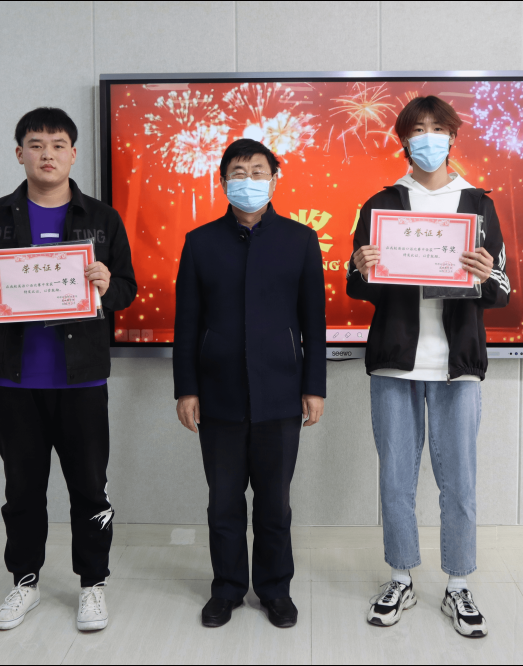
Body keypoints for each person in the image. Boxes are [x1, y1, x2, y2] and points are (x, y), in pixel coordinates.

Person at [0, 107, 137, 632]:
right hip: (14, 381)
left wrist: (107, 285)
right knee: (22, 490)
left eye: (58, 145)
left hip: (82, 380)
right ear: (20, 154)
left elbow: (127, 289)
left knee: (90, 489)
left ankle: (92, 584)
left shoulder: (102, 218)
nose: (47, 154)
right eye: (36, 145)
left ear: (73, 154)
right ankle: (25, 582)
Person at [347, 97, 510, 637]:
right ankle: (401, 577)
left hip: (456, 363)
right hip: (395, 362)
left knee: (458, 480)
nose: (428, 138)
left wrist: (484, 275)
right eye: (418, 130)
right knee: (395, 479)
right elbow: (356, 285)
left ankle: (458, 584)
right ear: (403, 141)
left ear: (453, 137)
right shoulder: (381, 203)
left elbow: (503, 289)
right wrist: (362, 267)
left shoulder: (478, 204)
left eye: (438, 128)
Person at [173, 139, 327, 629]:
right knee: (223, 502)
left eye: (258, 171)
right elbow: (186, 324)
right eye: (238, 172)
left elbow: (314, 322)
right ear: (222, 181)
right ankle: (227, 589)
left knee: (274, 503)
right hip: (217, 393)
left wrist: (314, 386)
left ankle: (275, 590)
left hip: (280, 392)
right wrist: (186, 388)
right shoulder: (199, 242)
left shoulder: (300, 240)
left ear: (275, 179)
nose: (248, 180)